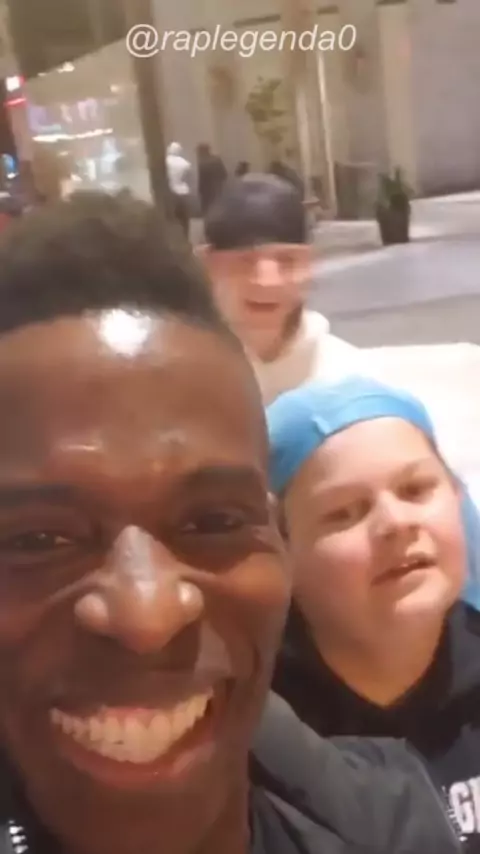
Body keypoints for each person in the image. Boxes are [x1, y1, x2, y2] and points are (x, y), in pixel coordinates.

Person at [0, 193, 460, 854]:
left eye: (212, 521)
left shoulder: (389, 827)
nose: (148, 616)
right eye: (40, 539)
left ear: (278, 542)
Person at [267, 375, 480, 848]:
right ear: (282, 554)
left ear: (457, 497)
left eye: (416, 489)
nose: (395, 523)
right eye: (344, 512)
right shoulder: (253, 734)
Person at [200, 174, 360, 405]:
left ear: (309, 264)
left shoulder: (346, 378)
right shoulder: (176, 373)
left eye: (287, 261)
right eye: (245, 261)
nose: (267, 282)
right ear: (208, 264)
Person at [166, 142, 191, 237]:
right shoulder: (185, 163)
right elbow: (187, 178)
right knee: (184, 218)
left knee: (172, 218)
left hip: (170, 191)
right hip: (183, 191)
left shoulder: (165, 162)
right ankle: (185, 236)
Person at [196, 143, 227, 216]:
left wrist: (199, 189)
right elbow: (224, 175)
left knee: (207, 209)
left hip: (206, 190)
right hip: (217, 188)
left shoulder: (202, 162)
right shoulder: (216, 160)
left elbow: (201, 178)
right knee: (216, 208)